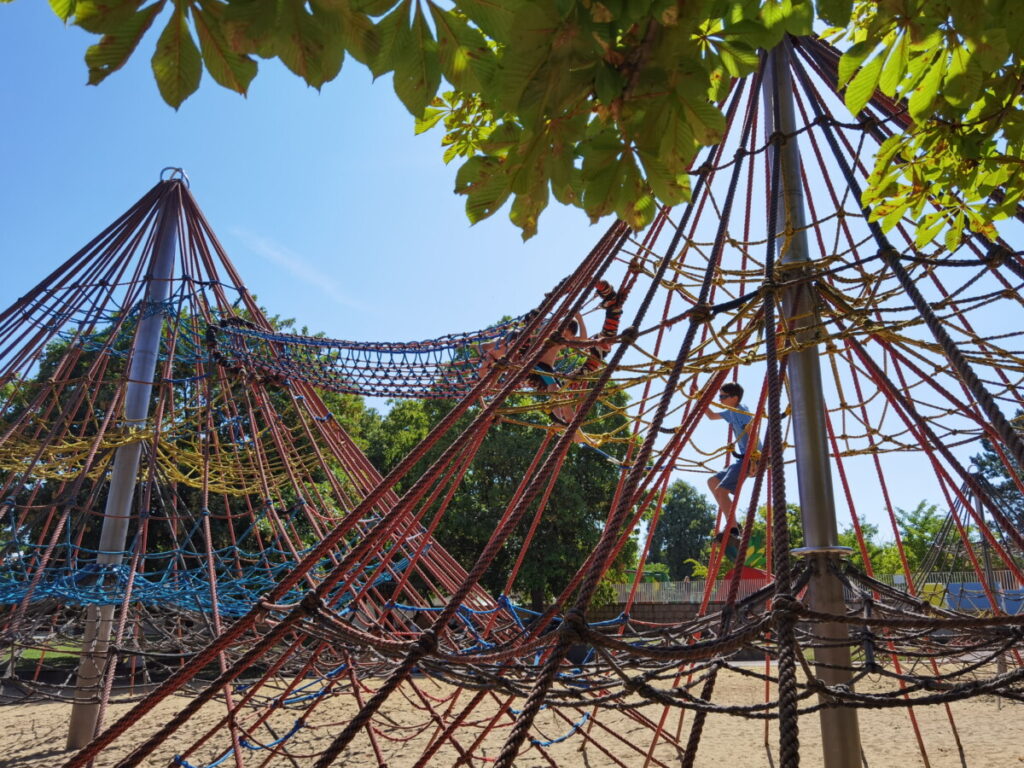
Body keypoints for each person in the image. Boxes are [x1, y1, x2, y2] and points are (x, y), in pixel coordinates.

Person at [706, 382, 760, 517]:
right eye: (720, 396)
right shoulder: (731, 412)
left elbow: (752, 434)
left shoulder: (742, 411)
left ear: (734, 398)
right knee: (712, 482)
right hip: (743, 458)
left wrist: (753, 461)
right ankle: (734, 525)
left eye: (723, 397)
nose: (720, 400)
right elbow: (712, 416)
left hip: (753, 457)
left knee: (722, 490)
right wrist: (701, 398)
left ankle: (733, 529)